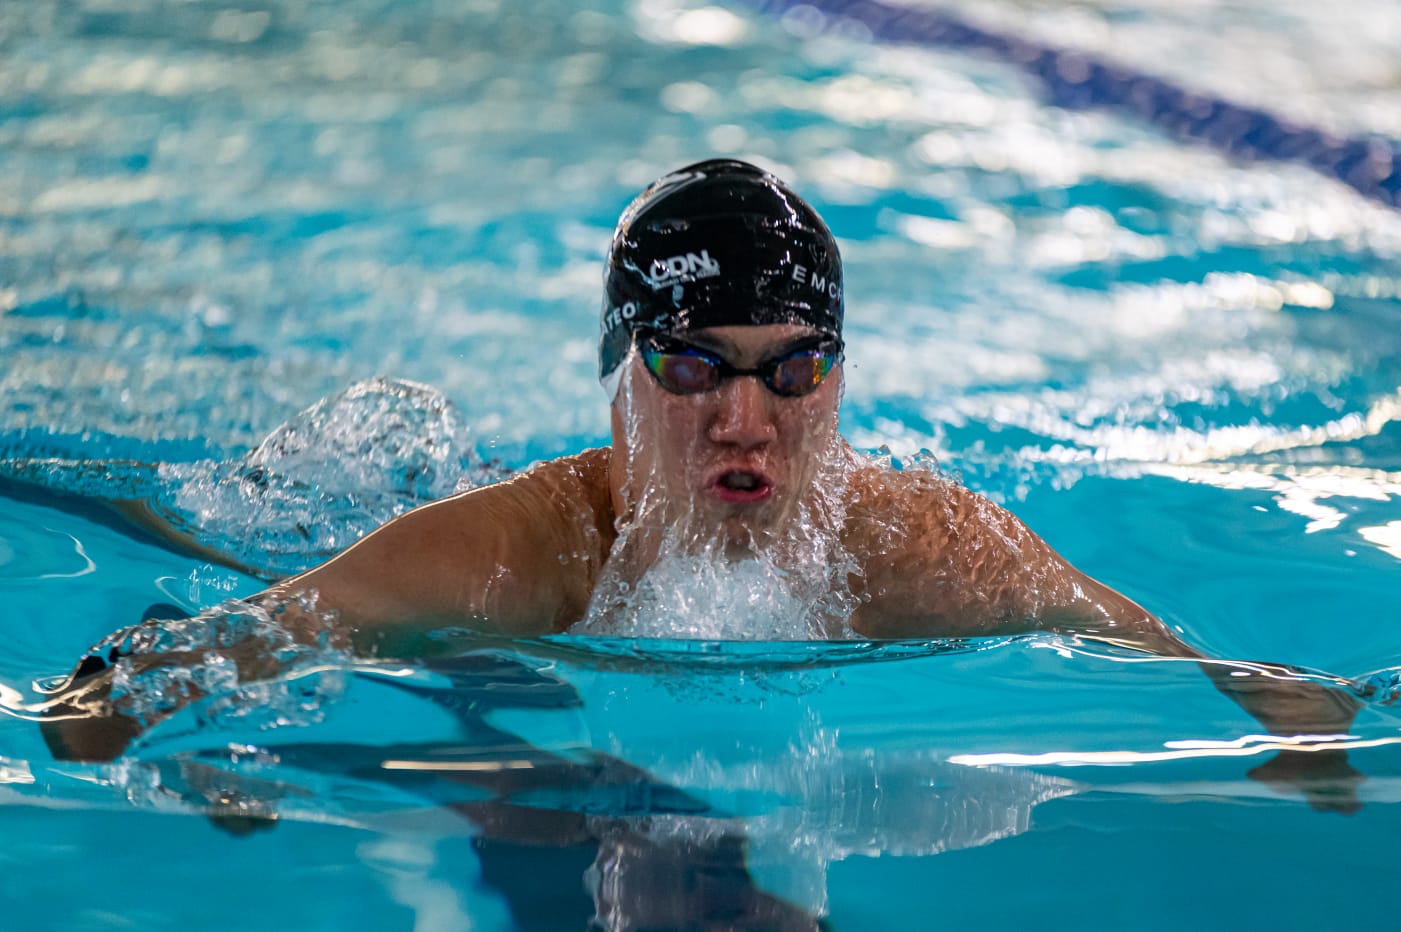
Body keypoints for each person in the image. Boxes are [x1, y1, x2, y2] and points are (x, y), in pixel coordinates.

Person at [43, 159, 1363, 810]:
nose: (747, 420)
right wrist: (142, 725)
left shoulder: (928, 549)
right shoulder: (506, 553)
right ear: (620, 376)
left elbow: (1201, 667)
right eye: (690, 364)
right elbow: (172, 669)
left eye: (794, 372)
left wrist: (1299, 736)